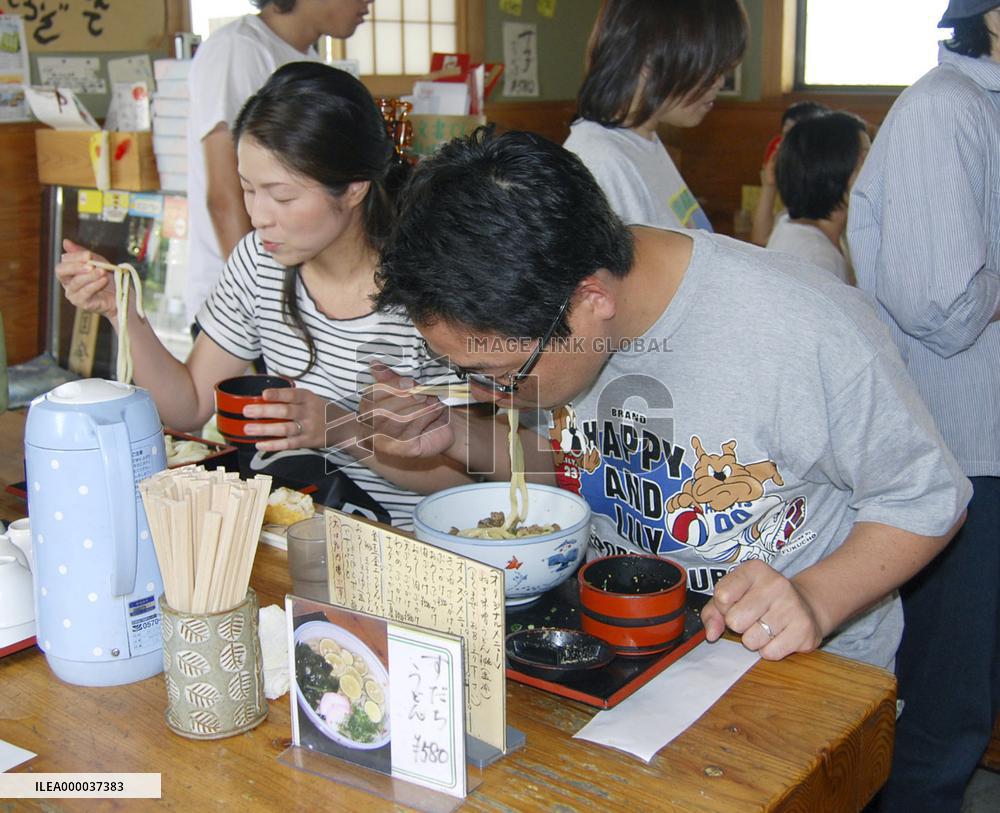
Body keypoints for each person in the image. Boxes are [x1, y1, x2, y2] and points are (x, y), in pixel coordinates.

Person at [365, 127, 971, 669]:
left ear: (590, 299)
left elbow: (926, 497)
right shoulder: (553, 329)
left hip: (792, 667)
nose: (492, 395)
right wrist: (455, 434)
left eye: (500, 374)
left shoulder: (806, 327)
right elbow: (576, 463)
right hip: (621, 641)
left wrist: (815, 596)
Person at [57, 63, 471, 529]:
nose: (258, 216)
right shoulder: (260, 262)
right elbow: (189, 405)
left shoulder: (425, 293)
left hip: (405, 546)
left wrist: (338, 427)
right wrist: (122, 311)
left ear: (354, 188)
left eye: (283, 197)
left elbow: (460, 480)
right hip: (297, 532)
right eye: (248, 189)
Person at [847, 1, 1000, 810]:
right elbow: (941, 304)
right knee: (943, 698)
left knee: (966, 681)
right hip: (960, 453)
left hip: (985, 445)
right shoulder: (948, 107)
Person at [185, 0, 373, 329]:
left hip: (296, 304)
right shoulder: (240, 49)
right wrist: (258, 305)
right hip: (243, 307)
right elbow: (224, 195)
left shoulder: (308, 61)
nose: (370, 2)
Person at [563, 0, 747, 230]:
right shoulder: (600, 162)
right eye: (711, 67)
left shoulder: (642, 139)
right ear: (649, 56)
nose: (720, 81)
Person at [766, 111, 870, 283]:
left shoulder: (803, 229)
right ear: (832, 168)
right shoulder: (816, 256)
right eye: (865, 159)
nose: (874, 171)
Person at [749, 100, 830, 246]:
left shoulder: (827, 189)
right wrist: (769, 185)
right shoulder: (794, 191)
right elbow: (760, 238)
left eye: (797, 136)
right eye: (786, 134)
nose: (788, 144)